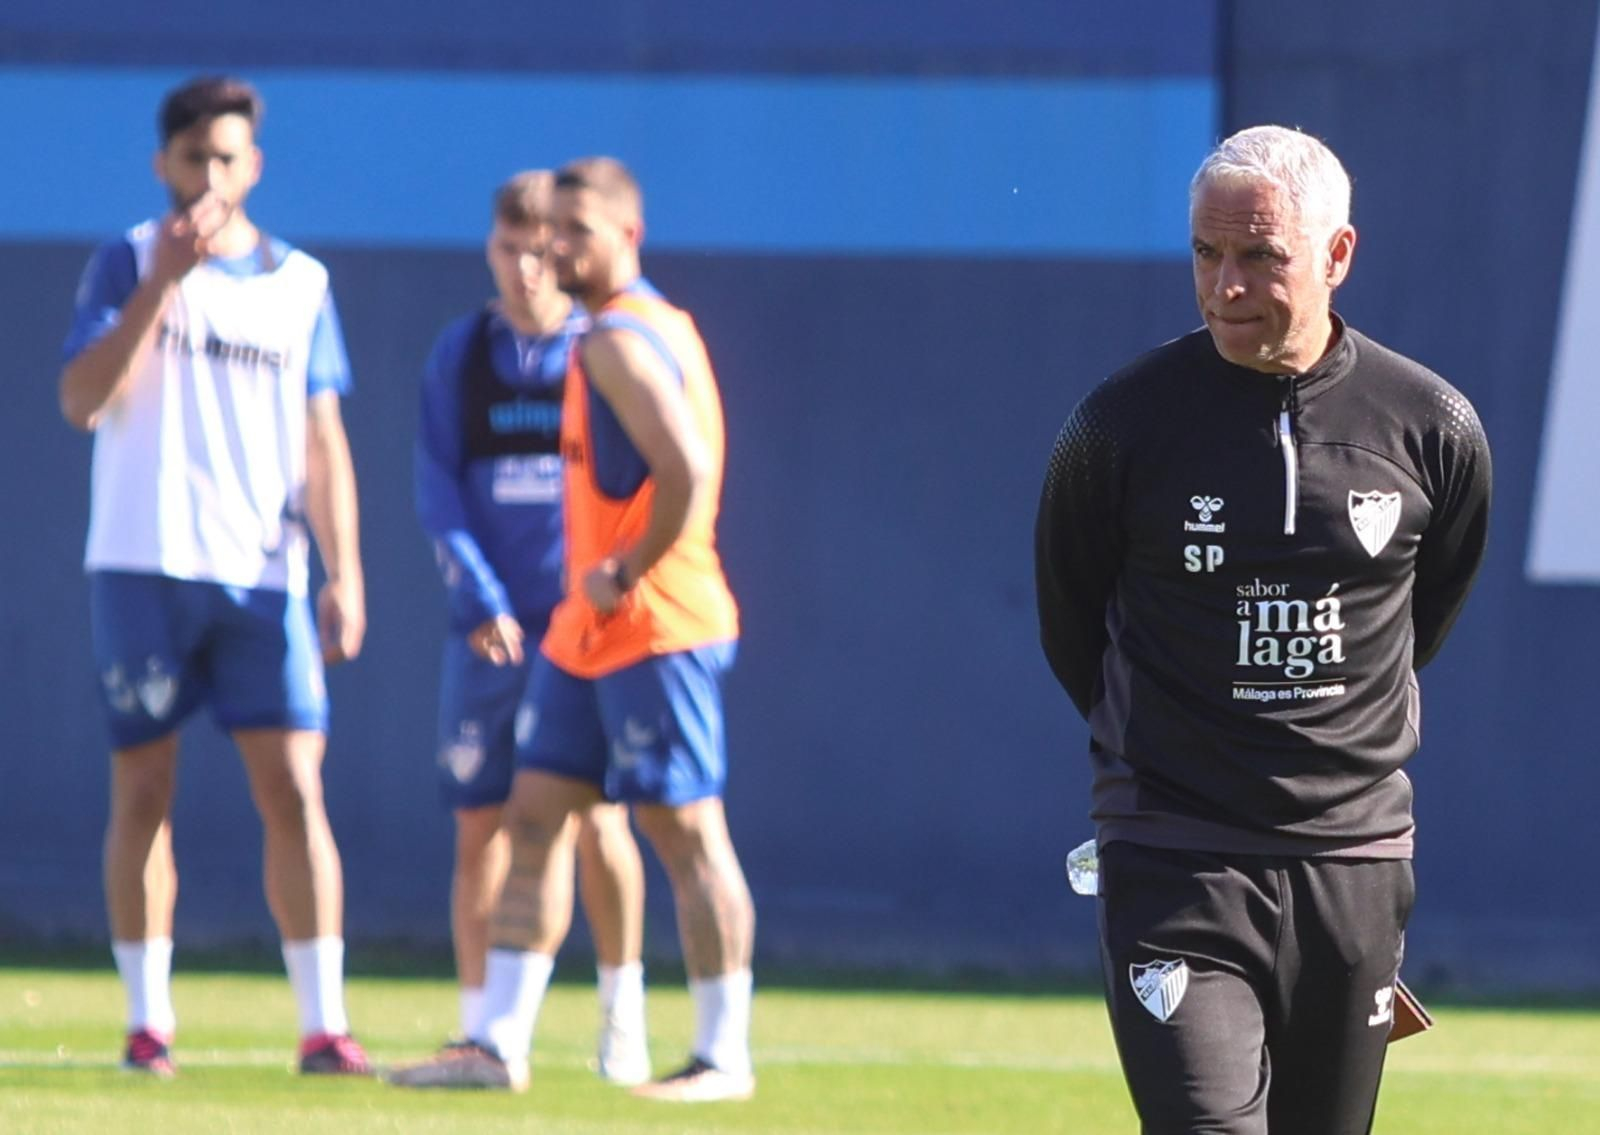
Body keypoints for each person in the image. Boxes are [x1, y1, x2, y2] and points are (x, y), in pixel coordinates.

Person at [1033, 125, 1491, 1135]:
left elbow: (1417, 621)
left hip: (1355, 862)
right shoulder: (1117, 426)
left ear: (1337, 254)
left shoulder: (1433, 425)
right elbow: (1072, 619)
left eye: (1260, 255)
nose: (1225, 285)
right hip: (1174, 853)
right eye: (1206, 253)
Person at [389, 156, 757, 1101]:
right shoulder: (627, 329)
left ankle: (722, 1056)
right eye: (550, 229)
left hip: (653, 620)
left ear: (629, 235)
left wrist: (624, 570)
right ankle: (495, 1043)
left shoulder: (622, 338)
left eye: (577, 230)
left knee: (686, 832)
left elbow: (686, 471)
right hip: (584, 632)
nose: (556, 246)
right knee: (534, 815)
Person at [58, 75, 372, 1078]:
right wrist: (160, 285)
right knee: (143, 787)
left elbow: (323, 439)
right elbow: (81, 398)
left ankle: (324, 1026)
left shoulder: (300, 282)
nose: (208, 176)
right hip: (141, 562)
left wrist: (343, 570)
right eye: (192, 158)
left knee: (295, 788)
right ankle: (147, 1023)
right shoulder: (126, 260)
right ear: (163, 163)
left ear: (255, 166)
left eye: (226, 158)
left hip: (262, 574)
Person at [413, 170, 651, 1085]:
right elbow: (438, 488)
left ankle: (622, 1017)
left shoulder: (602, 349)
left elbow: (645, 484)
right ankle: (482, 1031)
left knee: (599, 821)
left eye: (539, 247)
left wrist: (604, 592)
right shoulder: (463, 353)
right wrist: (479, 598)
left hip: (585, 629)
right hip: (490, 630)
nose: (524, 266)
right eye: (506, 247)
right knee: (481, 825)